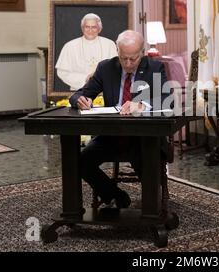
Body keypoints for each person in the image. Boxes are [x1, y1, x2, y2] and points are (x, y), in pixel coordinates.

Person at [69, 30, 169, 208]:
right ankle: (116, 196)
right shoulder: (106, 68)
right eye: (124, 58)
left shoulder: (154, 68)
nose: (128, 64)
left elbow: (166, 98)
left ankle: (152, 208)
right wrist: (80, 100)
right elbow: (79, 94)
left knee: (146, 160)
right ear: (117, 52)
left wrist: (142, 105)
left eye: (133, 59)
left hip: (143, 137)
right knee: (80, 162)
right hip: (111, 136)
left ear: (142, 53)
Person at [55, 13, 117, 90]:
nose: (90, 30)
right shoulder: (70, 46)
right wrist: (85, 79)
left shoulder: (109, 44)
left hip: (104, 90)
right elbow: (62, 72)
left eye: (94, 27)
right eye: (87, 27)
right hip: (78, 90)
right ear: (82, 28)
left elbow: (115, 68)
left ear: (99, 29)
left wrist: (100, 79)